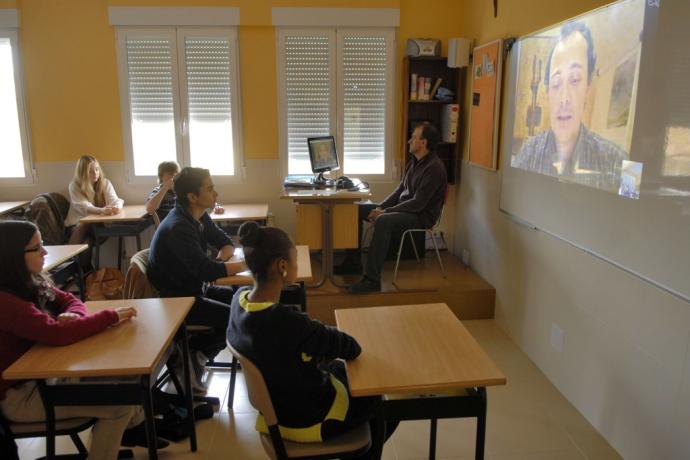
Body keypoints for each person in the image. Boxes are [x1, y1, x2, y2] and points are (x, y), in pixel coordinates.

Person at [0, 221, 168, 459]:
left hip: (45, 375)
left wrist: (74, 315)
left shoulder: (31, 280)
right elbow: (57, 334)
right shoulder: (5, 301)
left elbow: (70, 299)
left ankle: (130, 431)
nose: (45, 252)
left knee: (122, 381)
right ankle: (119, 437)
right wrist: (110, 316)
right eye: (37, 248)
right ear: (13, 256)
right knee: (120, 406)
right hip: (21, 397)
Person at [228, 221, 397, 452]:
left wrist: (314, 347)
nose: (298, 265)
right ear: (282, 266)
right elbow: (350, 347)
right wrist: (318, 338)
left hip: (275, 412)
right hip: (309, 420)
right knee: (384, 402)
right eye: (295, 259)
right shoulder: (288, 322)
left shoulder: (239, 301)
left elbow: (280, 348)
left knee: (340, 370)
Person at [148, 167, 245, 385]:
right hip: (176, 301)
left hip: (194, 288)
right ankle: (195, 353)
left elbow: (224, 242)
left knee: (244, 303)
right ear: (192, 197)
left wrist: (220, 263)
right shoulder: (178, 227)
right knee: (237, 319)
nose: (216, 194)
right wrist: (245, 265)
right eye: (210, 189)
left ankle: (196, 353)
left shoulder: (198, 215)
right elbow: (206, 271)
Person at [512, 21, 628, 192]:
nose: (564, 98)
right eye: (556, 83)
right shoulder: (528, 152)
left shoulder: (623, 162)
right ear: (548, 92)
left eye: (575, 80)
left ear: (588, 87)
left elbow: (637, 214)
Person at [349, 122, 447, 293]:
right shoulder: (414, 163)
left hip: (421, 216)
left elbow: (418, 203)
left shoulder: (434, 168)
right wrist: (380, 206)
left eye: (414, 137)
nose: (410, 141)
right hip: (406, 209)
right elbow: (399, 191)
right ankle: (353, 262)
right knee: (356, 209)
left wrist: (384, 212)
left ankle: (372, 280)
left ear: (423, 143)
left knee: (383, 220)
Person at [65, 155, 124, 244]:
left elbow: (116, 200)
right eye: (90, 171)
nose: (95, 173)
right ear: (82, 173)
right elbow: (84, 206)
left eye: (97, 169)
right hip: (75, 225)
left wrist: (117, 207)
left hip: (95, 224)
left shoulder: (105, 183)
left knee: (88, 240)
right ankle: (69, 256)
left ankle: (71, 256)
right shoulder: (74, 186)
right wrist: (102, 210)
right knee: (84, 224)